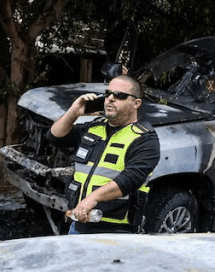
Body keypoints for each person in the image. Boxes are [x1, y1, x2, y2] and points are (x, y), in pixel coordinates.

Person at [48, 75, 160, 234]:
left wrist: (93, 198)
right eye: (108, 94)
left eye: (120, 95)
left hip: (116, 230)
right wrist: (74, 112)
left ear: (136, 103)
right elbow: (54, 136)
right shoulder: (94, 128)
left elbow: (131, 179)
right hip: (79, 223)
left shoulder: (145, 139)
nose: (111, 99)